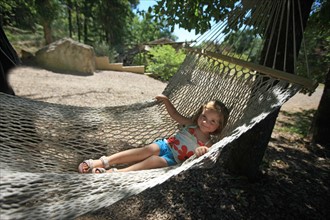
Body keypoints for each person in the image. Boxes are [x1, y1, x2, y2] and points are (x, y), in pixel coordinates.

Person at [78, 94, 229, 174]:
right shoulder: (191, 123)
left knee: (153, 161)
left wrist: (202, 152)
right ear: (200, 114)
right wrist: (166, 101)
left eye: (213, 121)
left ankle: (115, 173)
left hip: (173, 159)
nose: (206, 122)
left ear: (218, 126)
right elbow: (175, 114)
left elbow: (211, 158)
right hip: (166, 144)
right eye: (204, 117)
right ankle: (101, 161)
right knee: (145, 151)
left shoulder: (209, 144)